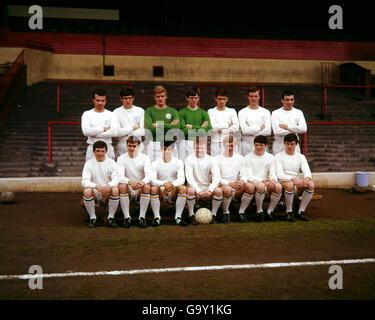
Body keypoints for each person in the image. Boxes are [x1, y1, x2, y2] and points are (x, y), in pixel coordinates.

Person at [242, 135, 282, 222]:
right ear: (254, 145)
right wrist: (261, 181)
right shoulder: (248, 157)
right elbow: (249, 175)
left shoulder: (271, 157)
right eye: (256, 145)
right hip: (253, 182)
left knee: (278, 186)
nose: (258, 147)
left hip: (266, 182)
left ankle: (269, 212)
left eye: (261, 145)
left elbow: (273, 173)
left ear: (266, 145)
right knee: (260, 186)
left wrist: (272, 180)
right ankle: (259, 211)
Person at [275, 133, 314, 222]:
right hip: (283, 181)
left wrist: (307, 179)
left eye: (292, 144)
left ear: (296, 144)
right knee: (289, 185)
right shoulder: (279, 156)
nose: (289, 146)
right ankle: (289, 212)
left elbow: (307, 171)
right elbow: (279, 174)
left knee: (311, 184)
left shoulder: (301, 157)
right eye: (287, 144)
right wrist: (293, 180)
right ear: (284, 144)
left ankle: (301, 211)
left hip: (296, 182)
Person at [81, 140, 120, 228]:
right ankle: (92, 218)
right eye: (98, 151)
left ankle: (111, 217)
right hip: (96, 191)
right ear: (93, 151)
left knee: (115, 189)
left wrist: (108, 186)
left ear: (106, 151)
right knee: (87, 191)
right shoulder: (89, 164)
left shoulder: (112, 163)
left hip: (107, 191)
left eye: (102, 151)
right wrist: (96, 186)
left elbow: (117, 179)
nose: (100, 153)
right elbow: (84, 181)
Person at [117, 136, 153, 228]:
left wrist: (142, 182)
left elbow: (149, 175)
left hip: (140, 187)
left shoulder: (145, 158)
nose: (131, 148)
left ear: (139, 146)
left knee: (147, 186)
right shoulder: (121, 158)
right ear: (126, 145)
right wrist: (130, 182)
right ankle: (127, 217)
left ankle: (142, 217)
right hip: (128, 186)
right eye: (129, 146)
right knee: (122, 186)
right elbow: (120, 176)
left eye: (134, 146)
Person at [185, 137, 223, 224]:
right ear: (194, 148)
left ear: (206, 148)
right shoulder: (189, 159)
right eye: (197, 148)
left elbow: (216, 177)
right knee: (190, 190)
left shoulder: (211, 159)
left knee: (219, 191)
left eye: (202, 148)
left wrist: (210, 189)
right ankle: (191, 215)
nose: (200, 150)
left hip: (207, 187)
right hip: (194, 187)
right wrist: (198, 190)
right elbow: (189, 178)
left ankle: (213, 215)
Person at [150, 140, 188, 227]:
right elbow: (152, 180)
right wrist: (164, 184)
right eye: (164, 149)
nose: (166, 151)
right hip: (161, 191)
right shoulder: (155, 163)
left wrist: (171, 186)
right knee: (153, 188)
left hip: (173, 191)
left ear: (173, 150)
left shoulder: (178, 162)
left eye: (169, 149)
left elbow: (182, 179)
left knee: (183, 188)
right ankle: (157, 217)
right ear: (160, 149)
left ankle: (178, 217)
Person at [215, 135, 246, 223]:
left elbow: (244, 174)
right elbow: (216, 177)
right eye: (228, 145)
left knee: (249, 186)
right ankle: (226, 213)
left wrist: (241, 181)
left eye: (232, 145)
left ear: (235, 145)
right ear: (223, 145)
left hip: (237, 187)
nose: (230, 148)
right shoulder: (217, 159)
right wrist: (229, 183)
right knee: (227, 189)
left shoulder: (240, 158)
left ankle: (241, 212)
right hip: (223, 186)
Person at [144, 85, 180, 162]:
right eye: (158, 96)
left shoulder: (173, 111)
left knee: (170, 169)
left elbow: (176, 128)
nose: (160, 98)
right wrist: (169, 126)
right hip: (155, 144)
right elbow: (150, 129)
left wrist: (158, 124)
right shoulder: (149, 111)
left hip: (170, 144)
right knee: (154, 169)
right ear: (154, 97)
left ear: (166, 96)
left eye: (162, 96)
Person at [81, 89, 119, 162]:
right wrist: (103, 129)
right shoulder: (87, 114)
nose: (100, 103)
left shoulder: (111, 114)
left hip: (107, 147)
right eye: (98, 100)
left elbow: (114, 132)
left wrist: (95, 134)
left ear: (106, 101)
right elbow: (86, 131)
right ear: (93, 100)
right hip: (92, 148)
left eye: (102, 100)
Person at [178, 87, 211, 162]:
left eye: (196, 98)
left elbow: (208, 128)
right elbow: (183, 130)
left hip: (199, 143)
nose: (194, 100)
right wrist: (200, 128)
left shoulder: (203, 113)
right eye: (191, 98)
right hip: (186, 142)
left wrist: (192, 127)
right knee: (184, 165)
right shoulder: (182, 112)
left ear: (198, 98)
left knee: (199, 166)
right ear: (187, 98)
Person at [271, 90, 307, 155]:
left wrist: (287, 127)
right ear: (282, 100)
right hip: (280, 146)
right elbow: (277, 131)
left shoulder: (298, 112)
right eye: (287, 100)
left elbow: (304, 129)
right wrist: (295, 130)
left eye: (291, 99)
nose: (290, 102)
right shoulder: (275, 113)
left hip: (294, 146)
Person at [238, 86, 271, 156]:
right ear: (248, 97)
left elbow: (268, 131)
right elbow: (244, 131)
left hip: (262, 145)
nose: (253, 98)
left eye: (255, 96)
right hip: (246, 145)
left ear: (259, 97)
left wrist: (250, 129)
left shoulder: (266, 112)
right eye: (251, 96)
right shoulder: (242, 112)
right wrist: (260, 128)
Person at [113, 87, 145, 157]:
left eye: (130, 98)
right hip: (123, 145)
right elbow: (117, 132)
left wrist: (124, 132)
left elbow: (142, 131)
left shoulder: (140, 111)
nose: (128, 101)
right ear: (121, 99)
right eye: (125, 98)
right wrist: (133, 128)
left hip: (138, 145)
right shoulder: (116, 112)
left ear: (133, 98)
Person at [207, 88, 240, 157]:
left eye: (224, 99)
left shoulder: (232, 111)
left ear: (227, 99)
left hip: (229, 143)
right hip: (216, 144)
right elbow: (213, 127)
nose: (222, 101)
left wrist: (222, 131)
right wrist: (228, 125)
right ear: (215, 99)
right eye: (220, 99)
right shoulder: (211, 111)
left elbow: (236, 127)